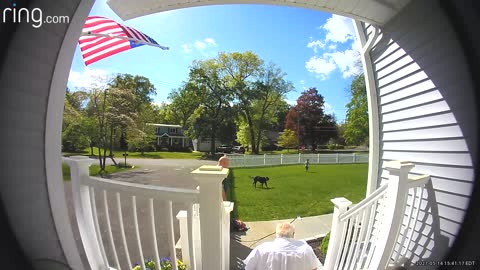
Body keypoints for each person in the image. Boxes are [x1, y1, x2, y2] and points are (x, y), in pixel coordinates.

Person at [243, 222, 322, 270]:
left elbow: (248, 267)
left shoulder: (262, 249)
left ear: (276, 234)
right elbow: (314, 268)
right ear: (293, 234)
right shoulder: (305, 249)